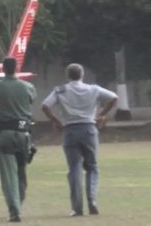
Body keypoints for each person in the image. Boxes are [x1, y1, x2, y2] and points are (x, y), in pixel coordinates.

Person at [41, 63, 118, 217]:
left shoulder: (61, 90)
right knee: (92, 166)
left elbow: (45, 105)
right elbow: (113, 97)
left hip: (70, 130)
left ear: (68, 75)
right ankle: (92, 201)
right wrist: (101, 114)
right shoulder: (93, 89)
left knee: (74, 169)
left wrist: (56, 121)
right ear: (82, 75)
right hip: (89, 129)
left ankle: (77, 207)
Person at [0, 56, 36, 223]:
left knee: (8, 174)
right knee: (21, 172)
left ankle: (14, 210)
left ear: (3, 69)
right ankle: (20, 203)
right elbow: (32, 98)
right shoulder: (28, 87)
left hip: (5, 134)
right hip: (24, 133)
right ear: (16, 69)